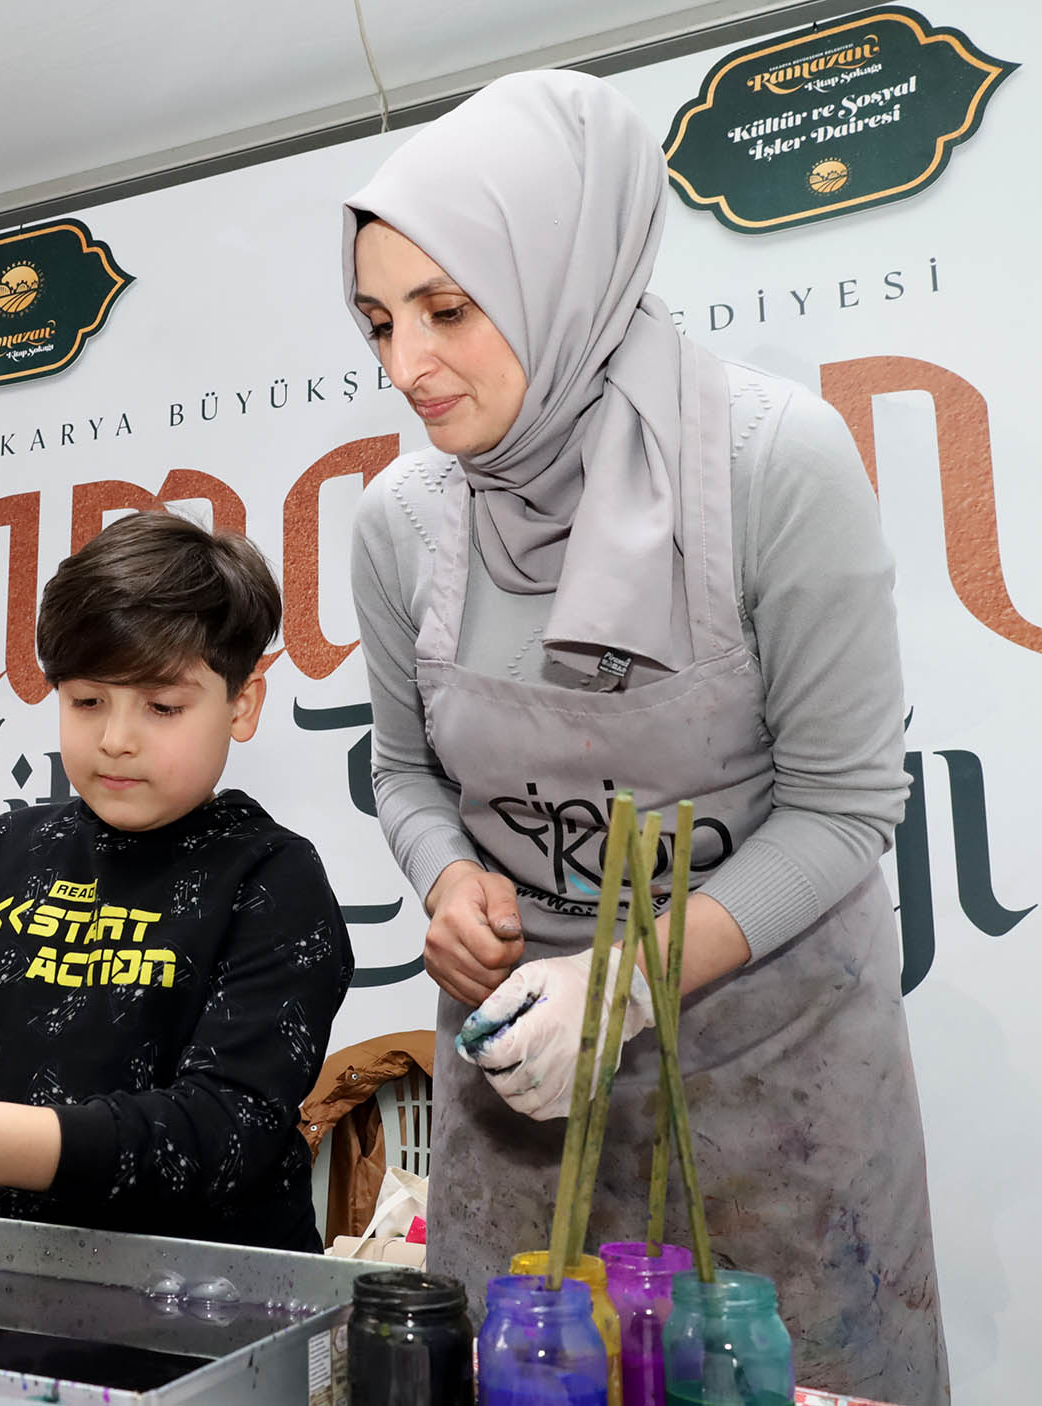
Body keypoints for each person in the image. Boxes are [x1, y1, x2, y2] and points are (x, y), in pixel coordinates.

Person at [343, 71, 944, 1400]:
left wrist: (619, 984)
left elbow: (846, 807)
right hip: (518, 1069)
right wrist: (447, 878)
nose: (407, 365)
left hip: (769, 1062)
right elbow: (405, 773)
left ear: (567, 268)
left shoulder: (773, 461)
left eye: (449, 309)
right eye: (379, 320)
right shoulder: (401, 521)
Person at [0, 511, 353, 1252]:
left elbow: (220, 1132)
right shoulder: (16, 846)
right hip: (9, 1290)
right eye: (87, 701)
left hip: (210, 1310)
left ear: (242, 703)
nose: (116, 738)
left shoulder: (273, 880)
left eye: (162, 706)